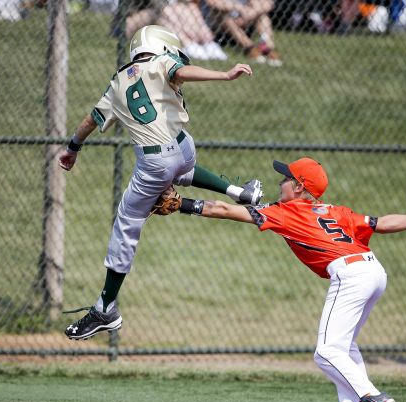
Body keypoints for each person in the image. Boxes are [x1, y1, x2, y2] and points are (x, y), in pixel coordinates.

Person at [166, 157, 406, 402]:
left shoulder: (287, 211)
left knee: (326, 351)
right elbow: (382, 223)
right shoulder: (335, 211)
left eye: (286, 178)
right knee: (344, 345)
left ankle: (373, 399)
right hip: (373, 270)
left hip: (350, 274)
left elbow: (226, 210)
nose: (280, 181)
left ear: (299, 187)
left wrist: (183, 205)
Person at [58, 25, 264, 340]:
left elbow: (90, 121)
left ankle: (105, 307)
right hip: (183, 147)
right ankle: (239, 191)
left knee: (126, 224)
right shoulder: (160, 62)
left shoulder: (117, 82)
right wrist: (223, 74)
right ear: (161, 47)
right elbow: (182, 70)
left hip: (154, 161)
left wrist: (73, 148)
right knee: (179, 168)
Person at [204, 0, 283, 66]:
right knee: (220, 14)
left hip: (243, 20)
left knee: (263, 15)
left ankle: (267, 48)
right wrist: (240, 8)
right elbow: (213, 2)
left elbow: (269, 4)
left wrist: (251, 14)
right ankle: (250, 48)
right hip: (218, 26)